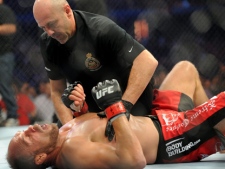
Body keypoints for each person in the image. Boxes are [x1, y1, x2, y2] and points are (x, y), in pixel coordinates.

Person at [7, 61, 225, 169]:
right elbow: (134, 160)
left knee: (185, 69)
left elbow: (98, 129)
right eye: (27, 137)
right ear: (40, 158)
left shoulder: (63, 133)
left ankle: (213, 132)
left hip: (159, 116)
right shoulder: (72, 152)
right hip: (173, 136)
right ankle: (207, 133)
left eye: (25, 131)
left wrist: (81, 107)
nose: (30, 128)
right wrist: (114, 107)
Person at [32, 0, 158, 126]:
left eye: (52, 24)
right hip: (92, 105)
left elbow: (147, 61)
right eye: (43, 27)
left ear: (67, 11)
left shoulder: (101, 29)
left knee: (113, 137)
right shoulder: (48, 42)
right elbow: (57, 90)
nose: (50, 32)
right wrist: (70, 128)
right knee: (63, 137)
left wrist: (123, 106)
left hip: (128, 98)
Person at [0, 0, 18, 126]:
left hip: (4, 55)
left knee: (4, 84)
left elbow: (11, 28)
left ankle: (12, 115)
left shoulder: (4, 10)